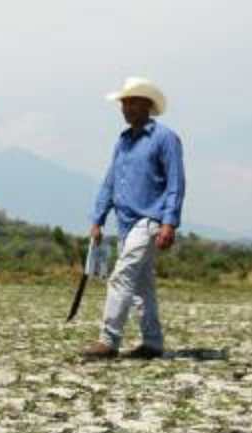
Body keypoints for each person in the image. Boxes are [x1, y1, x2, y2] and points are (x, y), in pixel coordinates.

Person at [82, 77, 185, 360]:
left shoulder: (165, 138)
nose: (125, 108)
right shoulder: (123, 141)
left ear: (145, 105)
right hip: (125, 221)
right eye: (123, 103)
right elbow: (110, 180)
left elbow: (176, 182)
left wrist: (169, 222)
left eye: (130, 102)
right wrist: (98, 218)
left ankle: (108, 340)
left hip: (150, 219)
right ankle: (152, 343)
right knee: (142, 286)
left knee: (121, 276)